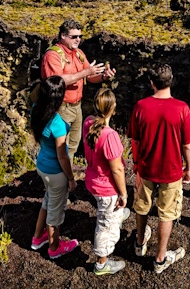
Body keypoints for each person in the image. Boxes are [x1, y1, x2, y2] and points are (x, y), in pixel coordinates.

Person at [127, 64, 190, 274]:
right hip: (172, 171)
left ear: (152, 82)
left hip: (146, 168)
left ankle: (139, 243)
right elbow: (188, 144)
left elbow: (135, 140)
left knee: (141, 206)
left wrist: (137, 163)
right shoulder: (182, 108)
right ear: (171, 80)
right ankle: (160, 258)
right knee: (167, 213)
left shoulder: (141, 106)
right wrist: (189, 168)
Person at [40, 19, 116, 160]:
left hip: (76, 107)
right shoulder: (53, 55)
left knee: (73, 143)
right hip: (60, 107)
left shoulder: (78, 53)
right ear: (63, 35)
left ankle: (67, 174)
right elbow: (57, 81)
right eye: (74, 37)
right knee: (60, 145)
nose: (78, 40)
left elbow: (90, 76)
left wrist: (103, 77)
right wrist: (86, 72)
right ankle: (59, 175)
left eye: (80, 36)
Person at [30, 75, 79, 259]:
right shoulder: (57, 123)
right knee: (55, 214)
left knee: (47, 201)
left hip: (42, 165)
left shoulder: (36, 109)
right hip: (56, 172)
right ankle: (54, 247)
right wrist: (71, 179)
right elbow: (63, 156)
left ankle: (37, 238)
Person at [83, 88, 131, 276]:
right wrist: (123, 194)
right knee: (105, 226)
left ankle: (118, 214)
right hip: (106, 188)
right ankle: (101, 264)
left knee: (109, 212)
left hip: (92, 180)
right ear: (113, 108)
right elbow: (117, 169)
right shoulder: (110, 135)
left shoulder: (88, 122)